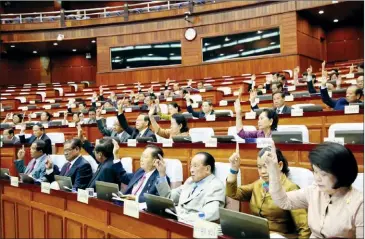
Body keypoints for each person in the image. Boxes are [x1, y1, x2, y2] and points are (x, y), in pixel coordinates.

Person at [265, 141, 363, 238]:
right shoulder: (314, 190)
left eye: (323, 174)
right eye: (315, 172)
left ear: (341, 173)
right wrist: (274, 171)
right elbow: (283, 201)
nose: (317, 178)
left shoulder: (359, 204)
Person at [226, 144, 311, 238]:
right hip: (256, 234)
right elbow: (232, 193)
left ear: (279, 165)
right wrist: (234, 169)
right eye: (259, 167)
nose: (262, 171)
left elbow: (304, 228)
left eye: (266, 166)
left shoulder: (291, 188)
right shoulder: (259, 184)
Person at [154, 152, 225, 223]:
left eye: (195, 166)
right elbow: (169, 197)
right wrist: (162, 173)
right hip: (176, 221)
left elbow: (209, 214)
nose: (191, 170)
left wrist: (181, 218)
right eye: (191, 166)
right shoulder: (190, 181)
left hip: (193, 226)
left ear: (207, 169)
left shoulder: (216, 186)